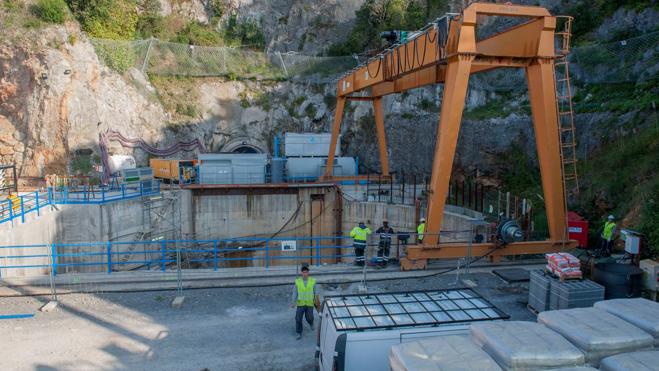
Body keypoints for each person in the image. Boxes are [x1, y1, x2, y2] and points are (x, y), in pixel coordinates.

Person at [291, 265, 317, 340]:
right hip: (300, 303)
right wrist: (293, 302)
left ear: (308, 273)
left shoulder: (313, 281)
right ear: (301, 273)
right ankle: (299, 332)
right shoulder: (298, 281)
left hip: (309, 303)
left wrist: (317, 303)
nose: (305, 273)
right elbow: (295, 292)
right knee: (298, 318)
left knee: (309, 317)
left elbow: (316, 292)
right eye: (303, 272)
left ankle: (311, 323)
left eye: (306, 272)